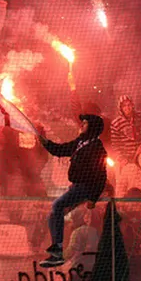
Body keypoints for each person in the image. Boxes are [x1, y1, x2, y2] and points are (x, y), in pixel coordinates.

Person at [38, 114, 107, 268]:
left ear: (92, 127)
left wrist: (93, 197)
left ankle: (57, 250)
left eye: (85, 123)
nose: (81, 125)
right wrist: (45, 142)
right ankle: (56, 252)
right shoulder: (80, 143)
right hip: (76, 187)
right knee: (53, 215)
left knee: (57, 206)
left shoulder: (97, 148)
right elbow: (61, 150)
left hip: (85, 187)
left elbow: (101, 175)